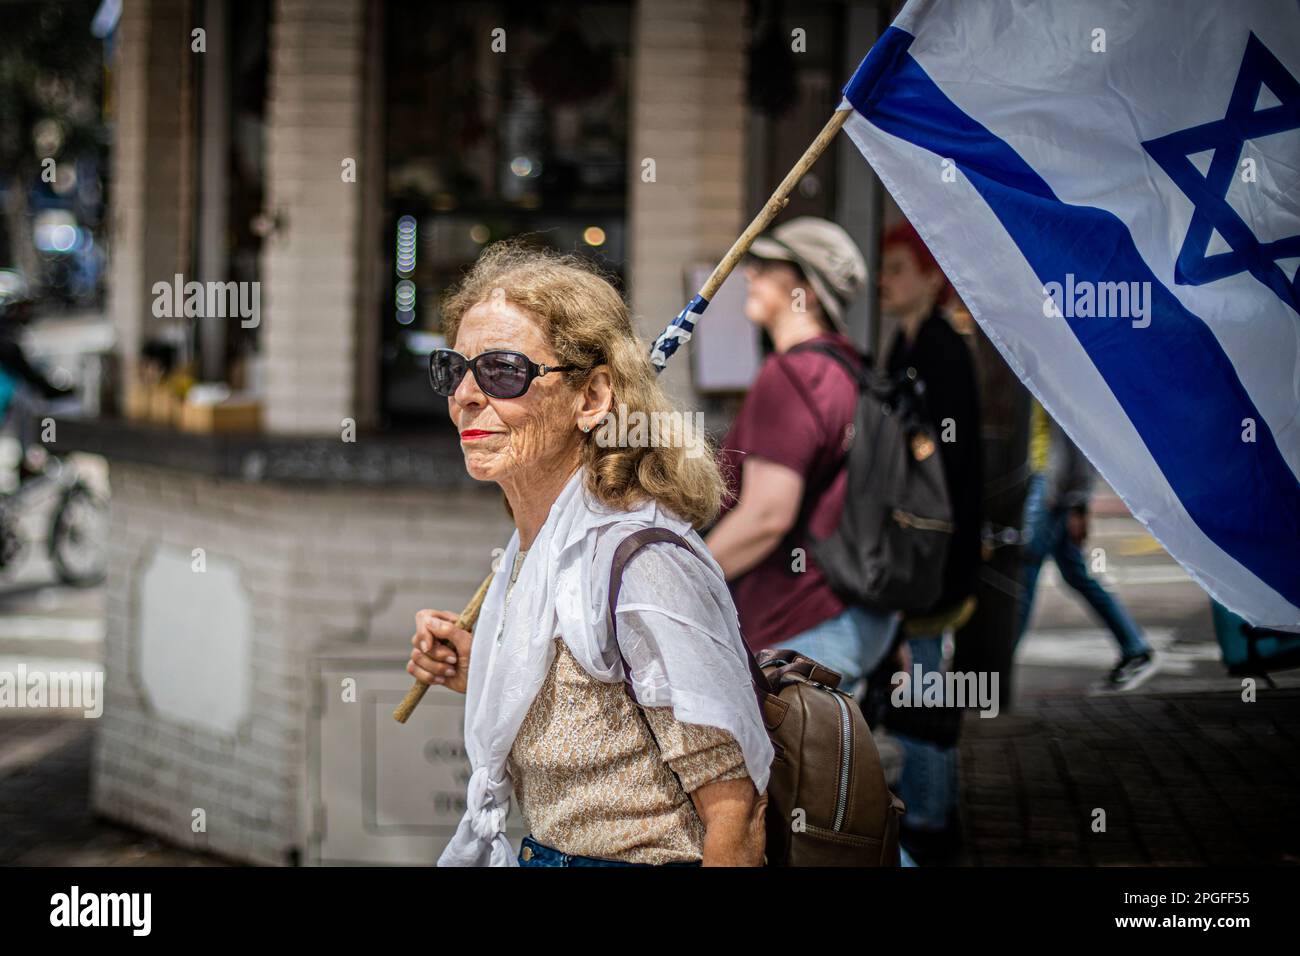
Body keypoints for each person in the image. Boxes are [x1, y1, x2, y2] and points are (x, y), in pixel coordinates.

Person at [406, 241, 773, 868]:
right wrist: (486, 670)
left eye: (501, 372)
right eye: (453, 369)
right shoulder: (544, 544)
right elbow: (600, 717)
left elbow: (736, 814)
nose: (466, 396)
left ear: (593, 398)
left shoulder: (643, 563)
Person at [705, 217, 899, 695]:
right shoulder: (849, 366)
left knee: (782, 772)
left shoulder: (792, 375)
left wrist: (686, 577)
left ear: (807, 291)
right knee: (830, 770)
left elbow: (768, 515)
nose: (750, 273)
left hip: (799, 629)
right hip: (850, 618)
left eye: (767, 265)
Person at [878, 221, 984, 863]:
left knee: (926, 682)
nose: (886, 281)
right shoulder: (906, 343)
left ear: (931, 279)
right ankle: (925, 807)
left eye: (898, 269)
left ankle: (933, 819)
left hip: (938, 551)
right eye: (884, 268)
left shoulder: (942, 348)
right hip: (917, 547)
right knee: (916, 679)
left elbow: (945, 464)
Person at [1015, 400, 1159, 690]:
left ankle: (1002, 655)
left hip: (1050, 489)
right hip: (1046, 484)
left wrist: (1078, 503)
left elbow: (1078, 444)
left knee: (1024, 570)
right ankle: (1134, 645)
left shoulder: (1052, 377)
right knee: (1074, 573)